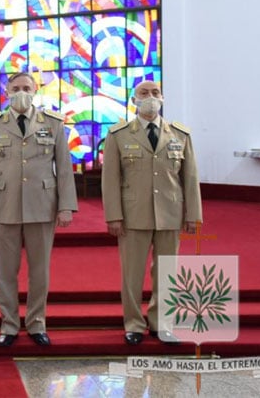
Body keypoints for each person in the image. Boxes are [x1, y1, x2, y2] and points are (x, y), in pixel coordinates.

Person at [0, 72, 77, 347]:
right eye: (16, 88)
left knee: (40, 271)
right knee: (5, 272)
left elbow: (64, 168)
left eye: (26, 88)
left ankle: (36, 323)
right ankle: (8, 324)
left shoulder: (53, 123)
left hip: (43, 206)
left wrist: (66, 206)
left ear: (35, 91)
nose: (22, 92)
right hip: (4, 206)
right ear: (7, 91)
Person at [102, 80, 202, 345]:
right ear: (134, 100)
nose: (150, 97)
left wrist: (193, 214)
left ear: (163, 98)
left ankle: (163, 323)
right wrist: (113, 215)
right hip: (133, 214)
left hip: (170, 211)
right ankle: (133, 324)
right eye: (144, 93)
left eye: (155, 93)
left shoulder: (180, 135)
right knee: (132, 273)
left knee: (168, 272)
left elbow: (190, 178)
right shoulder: (118, 134)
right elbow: (110, 179)